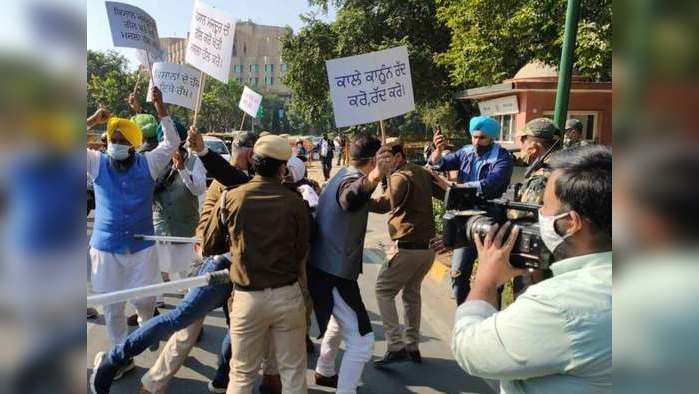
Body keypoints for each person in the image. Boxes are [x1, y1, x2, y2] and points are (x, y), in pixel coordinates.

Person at [452, 145, 612, 393]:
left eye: (544, 207)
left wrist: (485, 280)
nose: (540, 215)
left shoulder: (559, 304)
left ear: (570, 223)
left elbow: (470, 350)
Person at [205, 135, 310, 394]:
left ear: (253, 161)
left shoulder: (231, 197)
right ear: (283, 168)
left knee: (241, 374)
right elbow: (301, 249)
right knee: (293, 373)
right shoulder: (295, 202)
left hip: (246, 299)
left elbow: (209, 245)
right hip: (287, 295)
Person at [86, 87, 179, 360]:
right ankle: (121, 355)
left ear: (132, 144)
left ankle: (144, 329)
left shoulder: (148, 163)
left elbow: (171, 142)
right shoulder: (95, 162)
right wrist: (92, 121)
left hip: (142, 247)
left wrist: (160, 106)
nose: (113, 143)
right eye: (110, 139)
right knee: (113, 308)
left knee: (145, 301)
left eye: (120, 140)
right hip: (106, 248)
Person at [309, 133, 393, 394]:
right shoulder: (350, 181)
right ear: (372, 160)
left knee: (338, 322)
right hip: (334, 272)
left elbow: (367, 202)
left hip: (327, 267)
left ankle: (324, 369)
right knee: (363, 341)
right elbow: (351, 198)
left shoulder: (341, 173)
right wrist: (377, 175)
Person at [367, 137, 446, 367]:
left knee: (383, 290)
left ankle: (395, 345)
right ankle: (412, 345)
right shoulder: (420, 172)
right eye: (379, 159)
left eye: (386, 158)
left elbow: (382, 205)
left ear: (399, 157)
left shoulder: (399, 177)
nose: (381, 163)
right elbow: (444, 194)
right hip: (427, 249)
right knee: (412, 294)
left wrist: (362, 196)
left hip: (408, 248)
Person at [428, 116, 514, 305]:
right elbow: (438, 164)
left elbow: (490, 185)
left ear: (491, 137)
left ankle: (491, 319)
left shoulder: (503, 157)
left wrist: (455, 186)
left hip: (491, 219)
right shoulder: (466, 152)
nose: (476, 142)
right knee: (458, 275)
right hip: (465, 219)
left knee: (492, 280)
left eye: (482, 138)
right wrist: (438, 151)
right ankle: (465, 315)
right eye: (474, 137)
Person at [508, 118, 560, 296]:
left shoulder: (542, 177)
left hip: (537, 258)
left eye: (523, 141)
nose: (520, 147)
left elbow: (521, 215)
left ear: (534, 147)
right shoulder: (566, 168)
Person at [152, 119, 207, 281]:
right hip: (160, 227)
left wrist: (182, 169)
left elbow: (199, 189)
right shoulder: (154, 161)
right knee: (159, 268)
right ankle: (158, 299)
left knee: (187, 272)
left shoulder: (194, 161)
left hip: (185, 228)